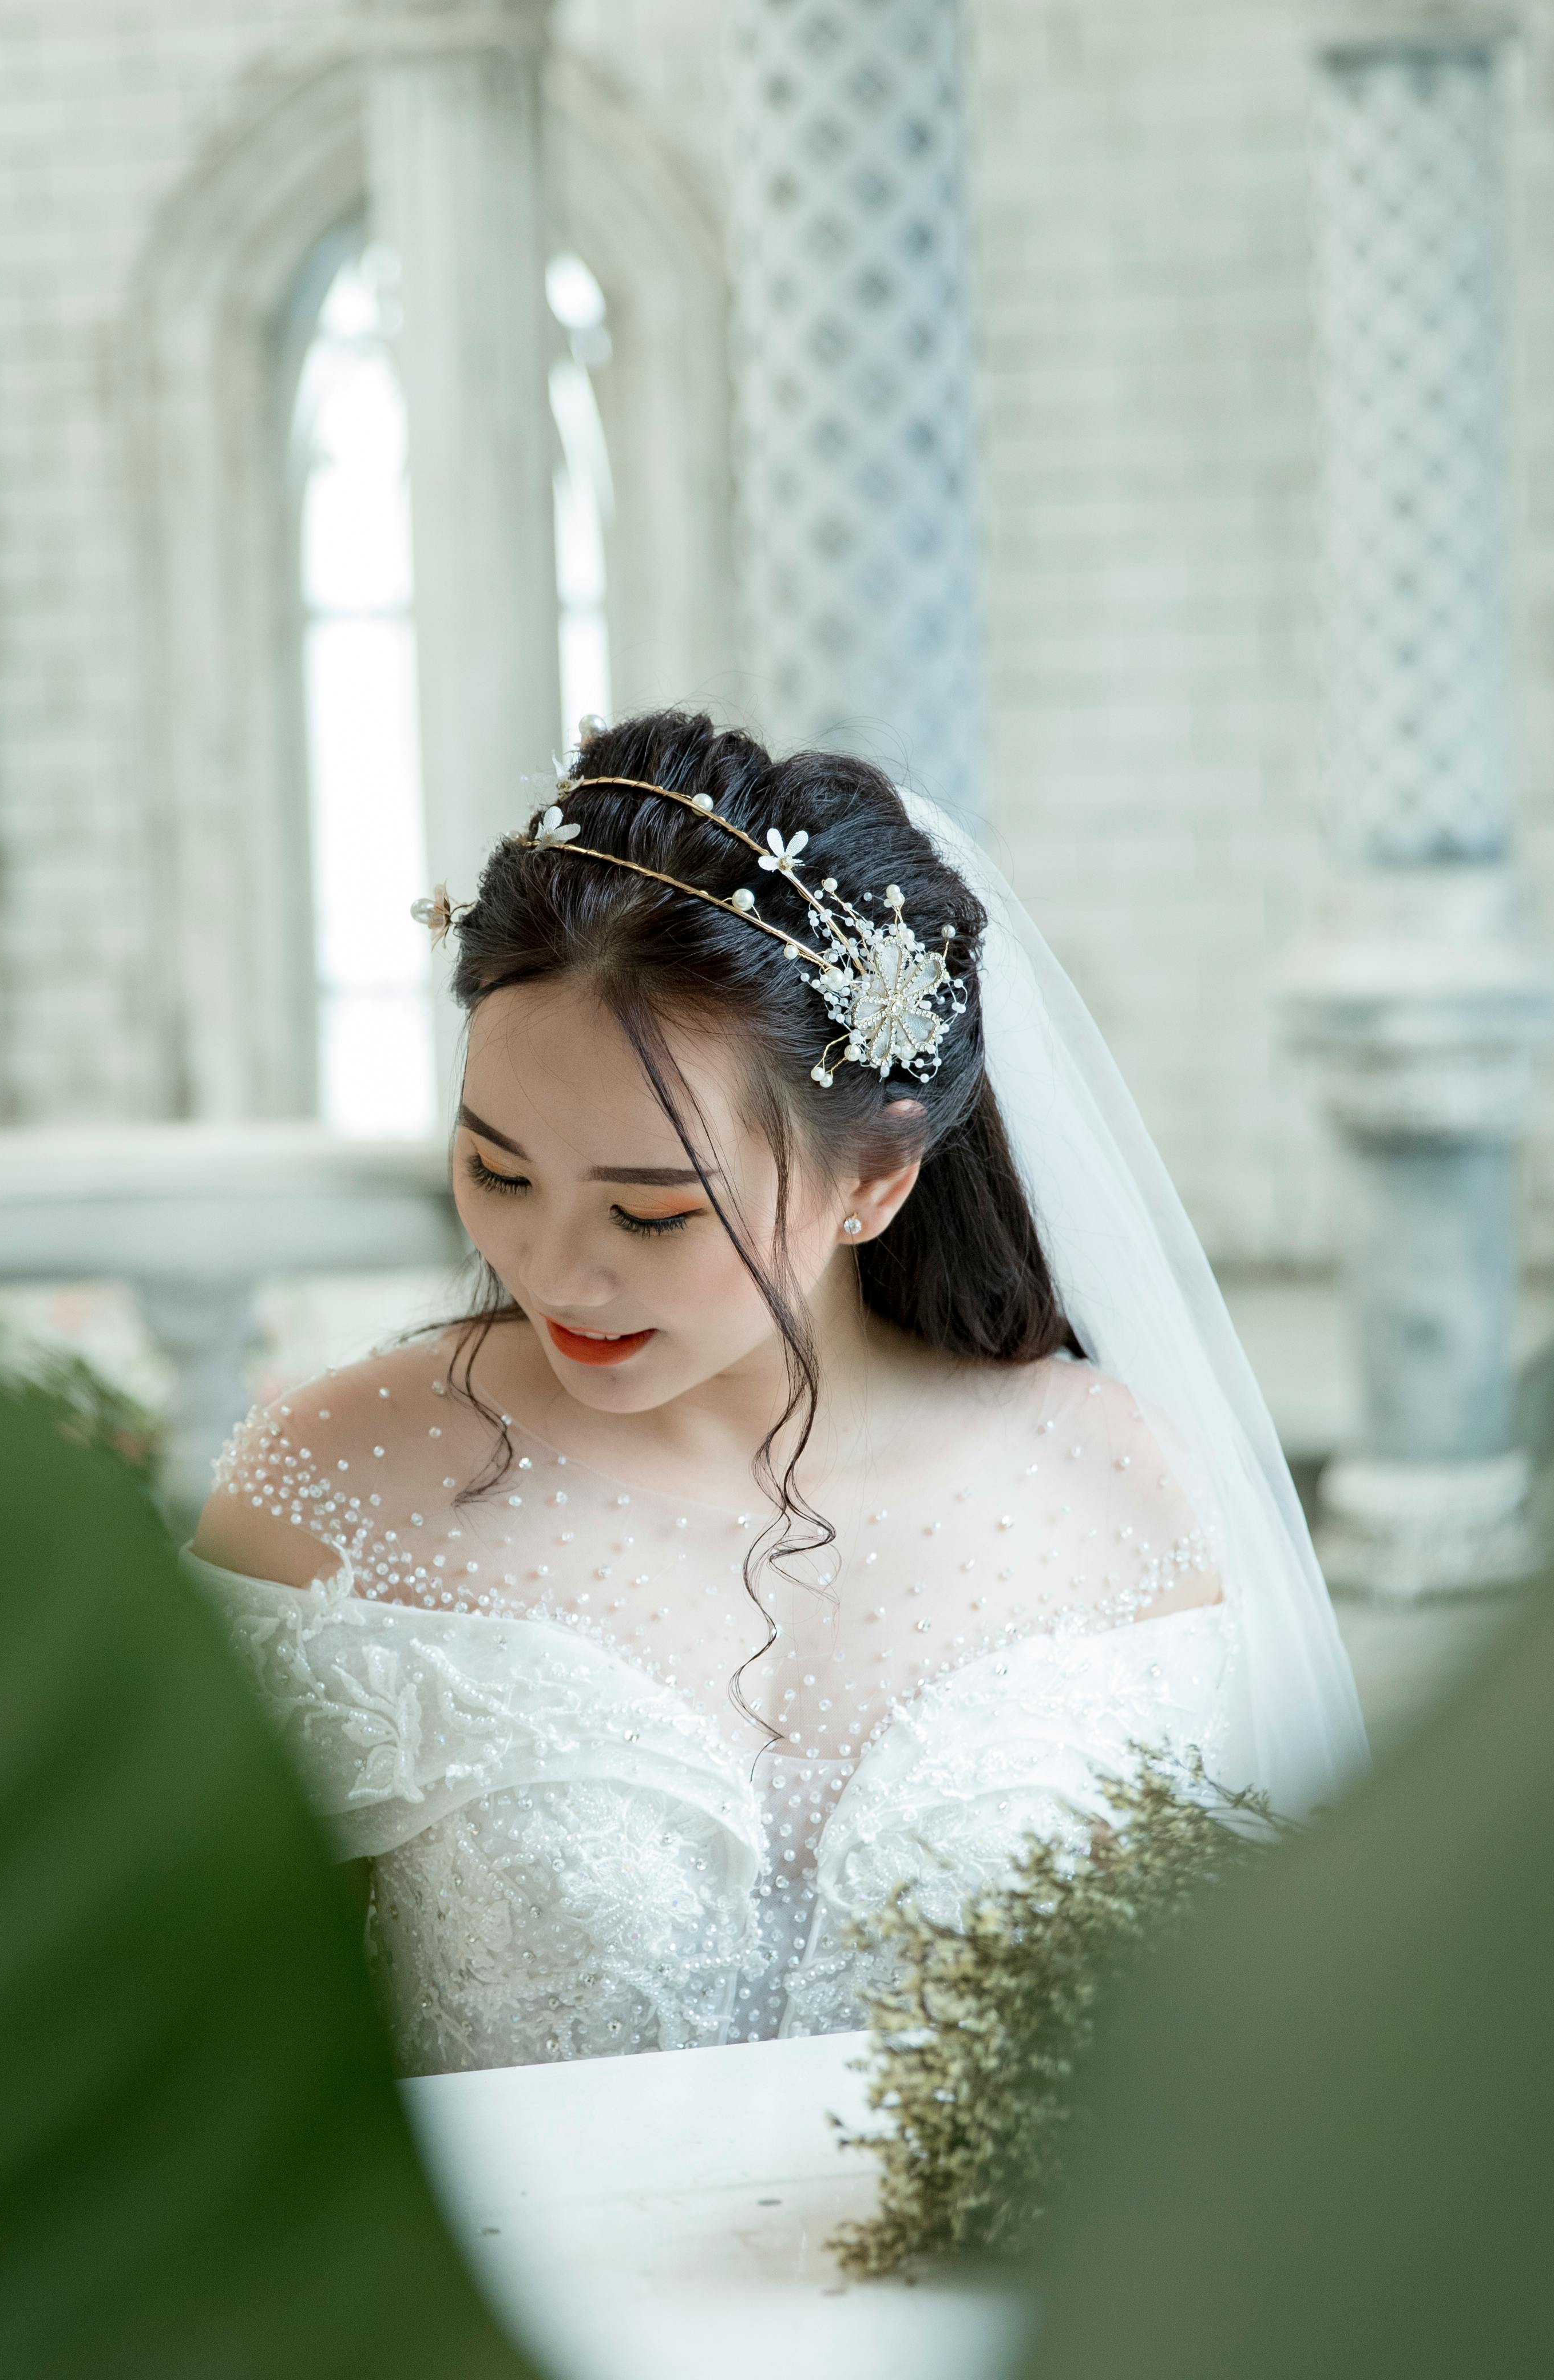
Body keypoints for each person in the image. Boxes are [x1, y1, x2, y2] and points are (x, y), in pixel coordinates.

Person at [190, 710, 1366, 2076]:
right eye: (499, 1174)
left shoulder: (1111, 1484)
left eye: (653, 1213)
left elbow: (1246, 2035)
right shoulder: (333, 1482)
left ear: (876, 1178)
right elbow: (214, 2061)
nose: (553, 1269)